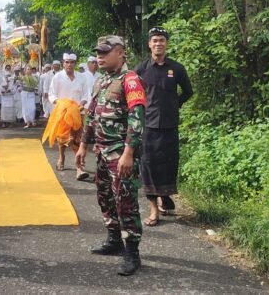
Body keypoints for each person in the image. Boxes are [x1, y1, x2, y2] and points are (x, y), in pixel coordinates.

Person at [76, 35, 147, 276]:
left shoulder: (131, 80)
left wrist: (128, 153)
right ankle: (114, 239)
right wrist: (83, 145)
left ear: (121, 52)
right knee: (105, 198)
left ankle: (132, 253)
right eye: (98, 52)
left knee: (125, 202)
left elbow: (137, 121)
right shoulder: (102, 80)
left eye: (105, 52)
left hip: (120, 155)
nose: (100, 56)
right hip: (102, 153)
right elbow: (91, 115)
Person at [134, 26, 193, 226]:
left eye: (162, 40)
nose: (158, 44)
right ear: (149, 44)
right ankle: (153, 209)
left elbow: (188, 91)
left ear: (166, 44)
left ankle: (164, 195)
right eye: (155, 40)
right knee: (148, 165)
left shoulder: (176, 68)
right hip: (148, 125)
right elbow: (133, 95)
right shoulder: (141, 69)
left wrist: (175, 104)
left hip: (169, 124)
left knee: (168, 164)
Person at [44, 53, 90, 181]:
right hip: (62, 113)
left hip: (77, 113)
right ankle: (61, 156)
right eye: (67, 62)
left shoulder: (82, 77)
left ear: (75, 64)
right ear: (63, 63)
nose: (69, 64)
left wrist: (81, 105)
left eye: (71, 62)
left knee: (78, 140)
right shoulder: (57, 77)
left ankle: (79, 168)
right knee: (62, 138)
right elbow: (51, 95)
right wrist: (60, 104)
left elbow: (86, 95)